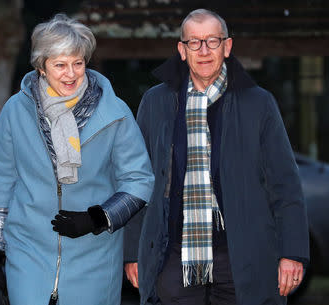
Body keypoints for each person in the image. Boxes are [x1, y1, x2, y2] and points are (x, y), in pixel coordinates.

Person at [124, 8, 309, 305]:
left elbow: (285, 183)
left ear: (227, 46)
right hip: (173, 253)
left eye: (212, 40)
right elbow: (138, 180)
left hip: (243, 255)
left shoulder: (258, 103)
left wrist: (292, 252)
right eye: (194, 42)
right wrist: (133, 252)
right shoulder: (155, 102)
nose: (204, 50)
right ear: (182, 51)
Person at [0, 13, 154, 305]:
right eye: (60, 65)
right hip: (28, 254)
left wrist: (98, 218)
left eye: (78, 63)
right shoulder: (14, 111)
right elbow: (1, 185)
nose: (71, 74)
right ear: (41, 67)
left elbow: (139, 181)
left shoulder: (116, 112)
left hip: (95, 257)